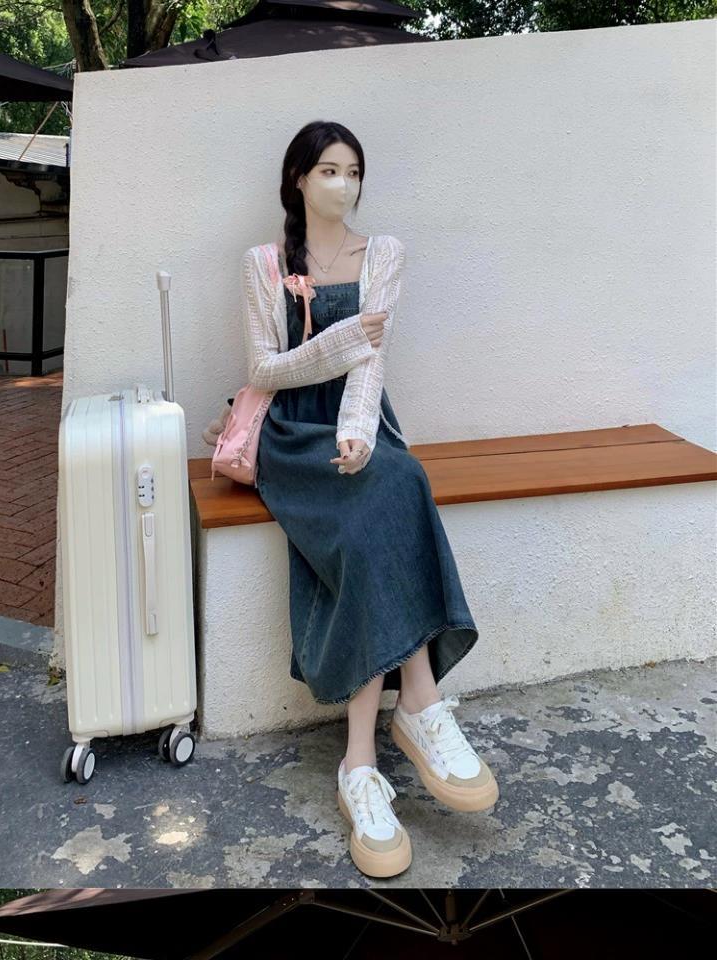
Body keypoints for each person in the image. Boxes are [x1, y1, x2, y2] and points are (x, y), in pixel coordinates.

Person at [241, 120, 499, 879]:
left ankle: (360, 763)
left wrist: (357, 433)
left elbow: (370, 367)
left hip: (357, 426)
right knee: (380, 514)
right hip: (290, 435)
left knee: (396, 482)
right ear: (297, 179)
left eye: (353, 172)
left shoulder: (384, 253)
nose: (344, 185)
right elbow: (264, 370)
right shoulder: (262, 263)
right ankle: (418, 707)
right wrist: (347, 336)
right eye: (328, 170)